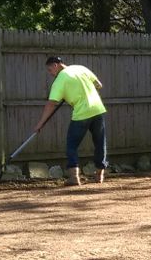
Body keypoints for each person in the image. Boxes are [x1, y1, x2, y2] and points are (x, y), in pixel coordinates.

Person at [33, 57, 108, 185]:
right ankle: (99, 175)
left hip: (81, 114)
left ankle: (74, 177)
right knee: (100, 143)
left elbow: (51, 104)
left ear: (56, 65)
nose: (50, 73)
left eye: (50, 70)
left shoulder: (60, 80)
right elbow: (99, 85)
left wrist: (40, 124)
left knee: (71, 145)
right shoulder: (81, 68)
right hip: (97, 109)